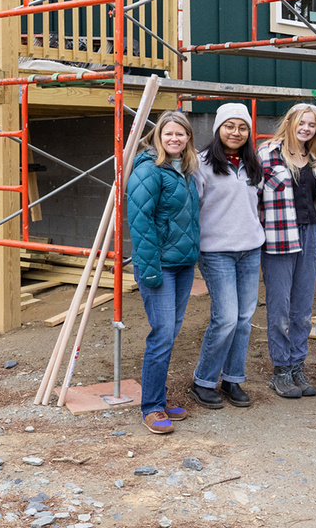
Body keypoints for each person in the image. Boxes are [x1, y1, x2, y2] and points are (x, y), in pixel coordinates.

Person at [126, 110, 201, 435]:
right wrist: (151, 269)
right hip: (159, 266)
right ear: (158, 137)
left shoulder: (184, 170)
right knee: (161, 334)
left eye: (180, 134)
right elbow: (140, 224)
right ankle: (152, 407)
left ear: (187, 139)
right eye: (169, 134)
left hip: (182, 264)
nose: (174, 139)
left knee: (169, 334)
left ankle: (158, 396)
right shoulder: (150, 170)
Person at [190, 103, 266, 410]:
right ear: (218, 129)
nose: (236, 132)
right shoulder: (201, 163)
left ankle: (233, 379)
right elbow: (192, 206)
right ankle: (203, 381)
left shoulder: (253, 163)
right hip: (216, 251)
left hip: (250, 249)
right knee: (226, 318)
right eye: (229, 126)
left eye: (242, 127)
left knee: (245, 320)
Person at [259, 102, 316, 399]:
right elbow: (253, 196)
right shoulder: (267, 153)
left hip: (311, 234)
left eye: (311, 125)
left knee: (303, 309)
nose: (306, 129)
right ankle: (280, 369)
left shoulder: (315, 158)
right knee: (279, 308)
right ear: (289, 122)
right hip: (278, 237)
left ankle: (296, 366)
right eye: (301, 123)